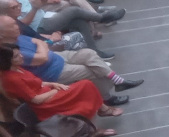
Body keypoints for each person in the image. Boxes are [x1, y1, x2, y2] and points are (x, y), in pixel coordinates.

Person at [0, 14, 142, 106]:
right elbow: (42, 57)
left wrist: (41, 47)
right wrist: (41, 47)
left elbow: (41, 44)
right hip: (53, 72)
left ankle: (118, 81)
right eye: (12, 25)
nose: (17, 26)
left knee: (88, 53)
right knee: (93, 71)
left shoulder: (19, 36)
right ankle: (106, 98)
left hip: (57, 57)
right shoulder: (9, 51)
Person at [0, 46, 123, 131]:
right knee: (85, 85)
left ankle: (99, 114)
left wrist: (53, 84)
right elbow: (35, 99)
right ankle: (101, 112)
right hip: (45, 104)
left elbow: (36, 83)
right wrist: (55, 90)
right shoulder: (12, 78)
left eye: (19, 53)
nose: (21, 56)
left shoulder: (18, 68)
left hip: (48, 94)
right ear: (7, 61)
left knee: (85, 86)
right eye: (16, 56)